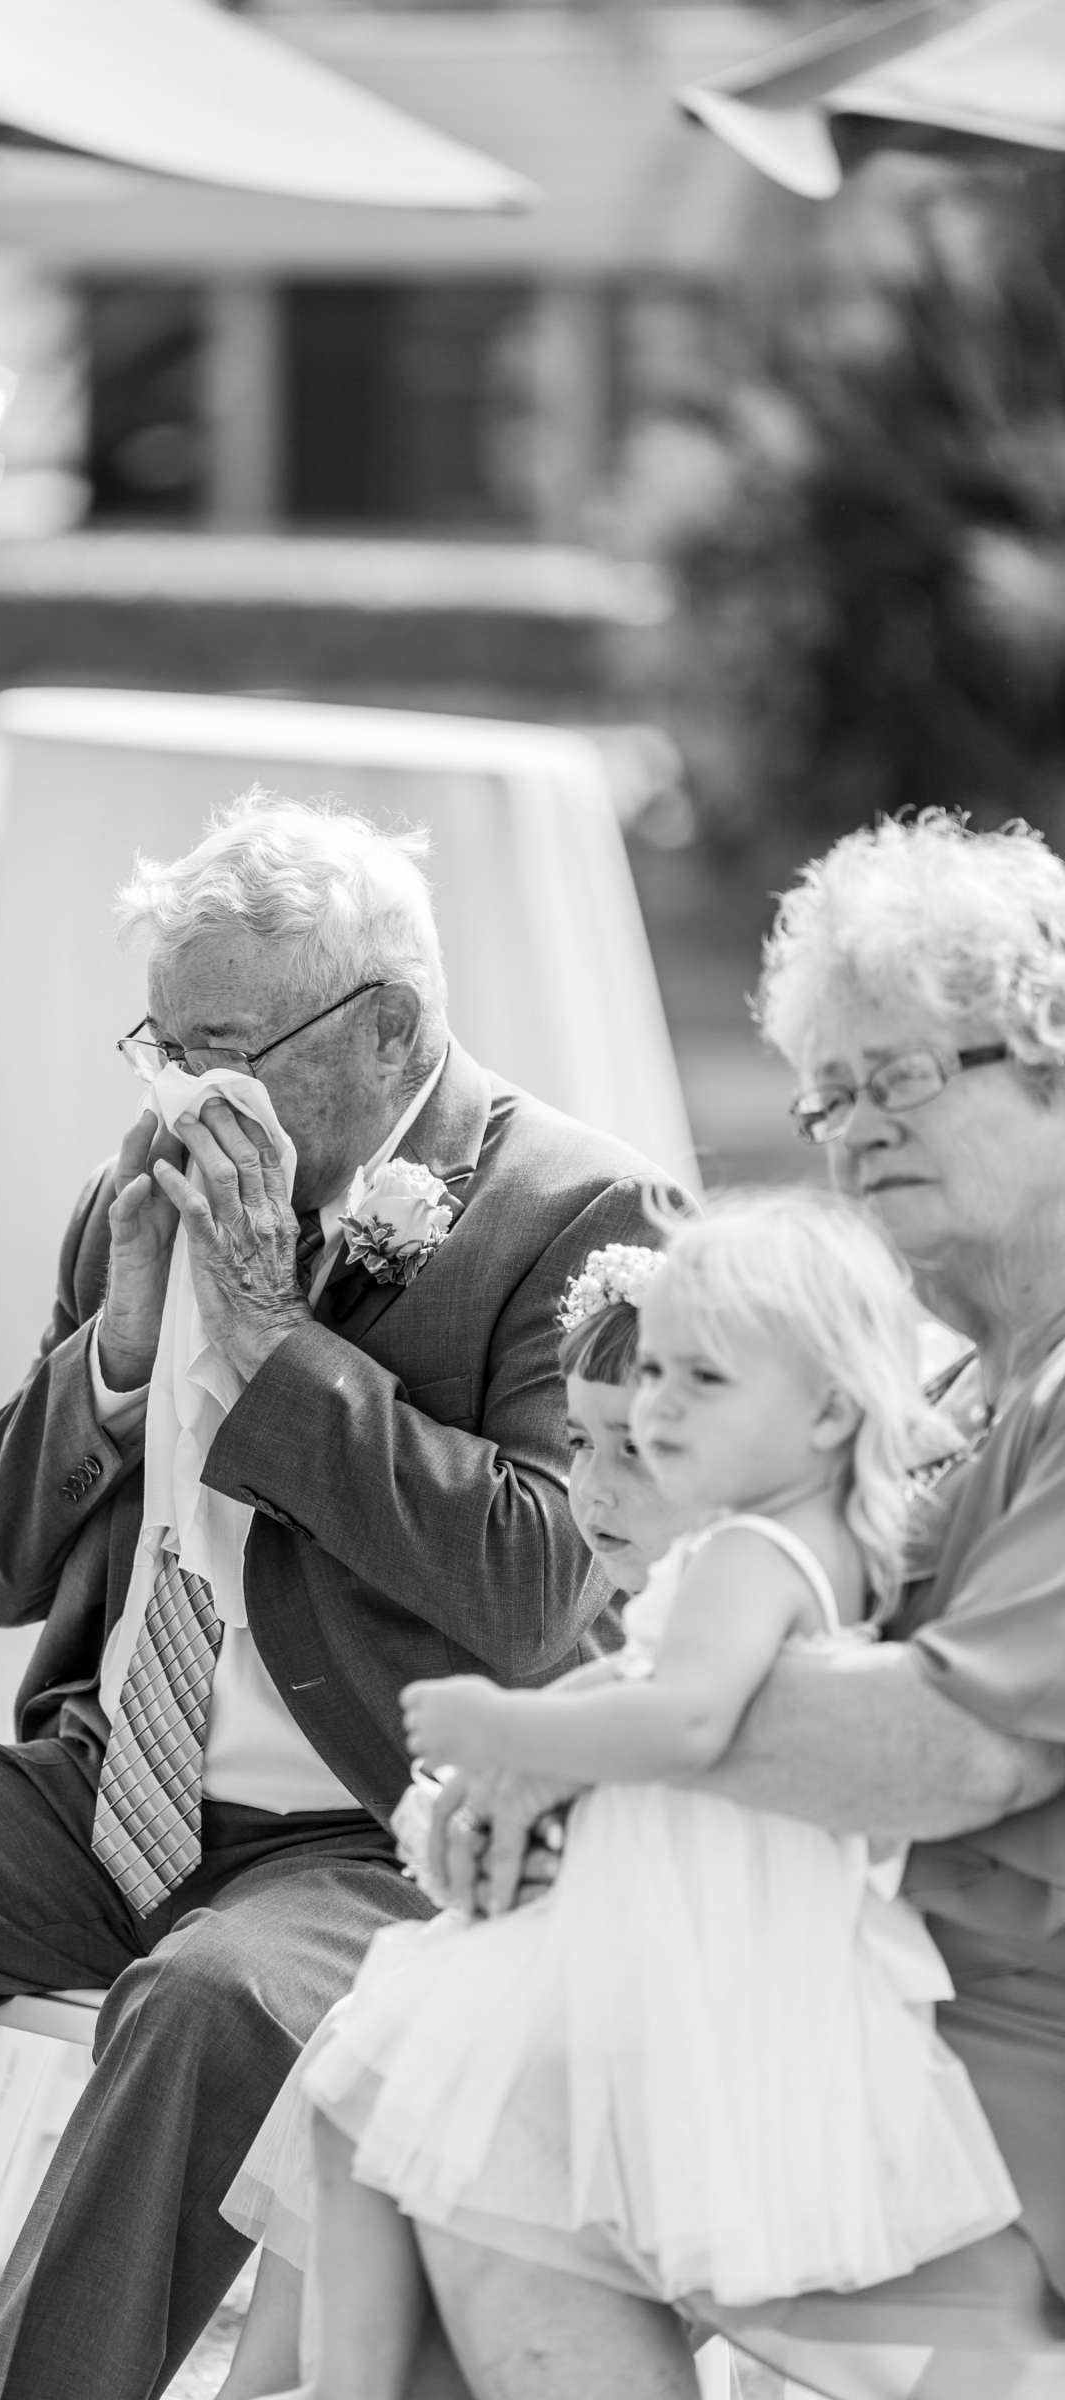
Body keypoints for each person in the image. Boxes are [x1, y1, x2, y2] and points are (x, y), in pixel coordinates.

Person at [0, 795, 667, 2400]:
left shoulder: (582, 1218)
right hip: (117, 1792)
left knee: (203, 2003)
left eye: (227, 1046)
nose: (184, 1093)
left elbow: (537, 1587)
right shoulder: (145, 1192)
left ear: (389, 1032)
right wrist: (113, 1353)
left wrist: (270, 1337)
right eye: (161, 1046)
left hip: (399, 1834)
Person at [407, 811, 1065, 2400]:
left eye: (899, 1077)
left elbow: (947, 1751)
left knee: (479, 2131)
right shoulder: (963, 1392)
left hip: (1009, 2089)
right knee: (440, 2089)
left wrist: (563, 1743)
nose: (849, 1132)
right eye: (827, 1095)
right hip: (870, 2018)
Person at [222, 1194, 1021, 2400]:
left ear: (825, 1408)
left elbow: (683, 1724)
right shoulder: (811, 1547)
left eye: (695, 1385)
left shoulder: (745, 1557)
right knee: (372, 2101)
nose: (653, 1414)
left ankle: (334, 2389)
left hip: (692, 1981)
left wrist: (514, 1731)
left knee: (381, 2098)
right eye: (648, 1381)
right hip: (682, 1947)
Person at [216, 1236, 686, 2400]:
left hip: (673, 2019)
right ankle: (294, 2385)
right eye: (578, 1442)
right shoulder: (665, 1609)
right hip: (585, 1976)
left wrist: (516, 1759)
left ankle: (317, 2385)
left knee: (403, 2080)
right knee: (368, 2064)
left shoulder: (734, 1599)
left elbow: (669, 1745)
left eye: (644, 1449)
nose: (594, 1486)